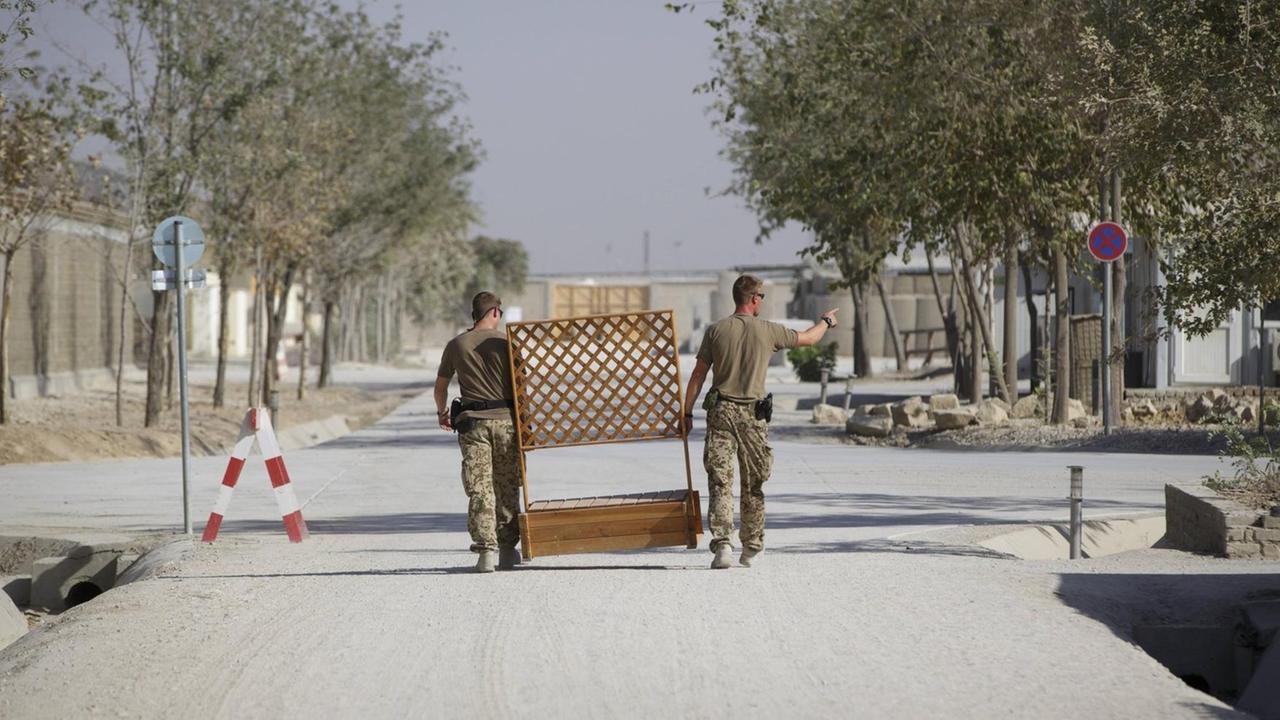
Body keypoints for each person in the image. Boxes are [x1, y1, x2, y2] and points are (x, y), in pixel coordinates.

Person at [683, 275, 838, 569]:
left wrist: (687, 412)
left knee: (720, 481)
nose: (762, 301)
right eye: (762, 296)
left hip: (721, 413)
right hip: (753, 416)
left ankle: (723, 546)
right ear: (754, 298)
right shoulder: (769, 331)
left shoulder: (715, 331)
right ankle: (752, 547)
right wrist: (826, 322)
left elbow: (698, 375)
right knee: (753, 483)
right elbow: (809, 338)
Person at [434, 292, 522, 573]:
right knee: (507, 486)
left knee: (480, 488)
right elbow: (522, 386)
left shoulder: (456, 344)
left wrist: (442, 412)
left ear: (475, 314)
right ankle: (508, 550)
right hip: (506, 422)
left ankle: (485, 554)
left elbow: (441, 386)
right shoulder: (507, 343)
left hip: (473, 424)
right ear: (495, 312)